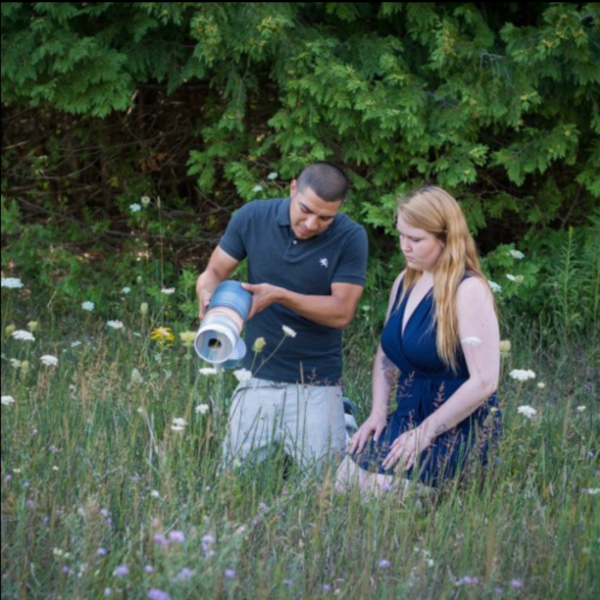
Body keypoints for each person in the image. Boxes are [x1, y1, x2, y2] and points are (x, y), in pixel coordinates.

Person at [196, 162, 368, 472]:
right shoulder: (253, 217)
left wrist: (280, 295)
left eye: (325, 217)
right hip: (257, 375)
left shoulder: (351, 237)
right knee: (232, 477)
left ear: (339, 210)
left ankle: (340, 418)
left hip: (316, 382)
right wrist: (207, 295)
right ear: (292, 188)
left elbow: (342, 312)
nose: (312, 223)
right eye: (305, 210)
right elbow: (214, 272)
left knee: (328, 485)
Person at [336, 185, 501, 497]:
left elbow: (485, 382)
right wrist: (378, 412)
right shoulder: (405, 281)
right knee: (344, 484)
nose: (404, 247)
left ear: (445, 238)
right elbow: (386, 355)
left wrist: (425, 433)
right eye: (401, 235)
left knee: (380, 496)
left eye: (415, 239)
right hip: (407, 416)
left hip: (456, 426)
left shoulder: (469, 290)